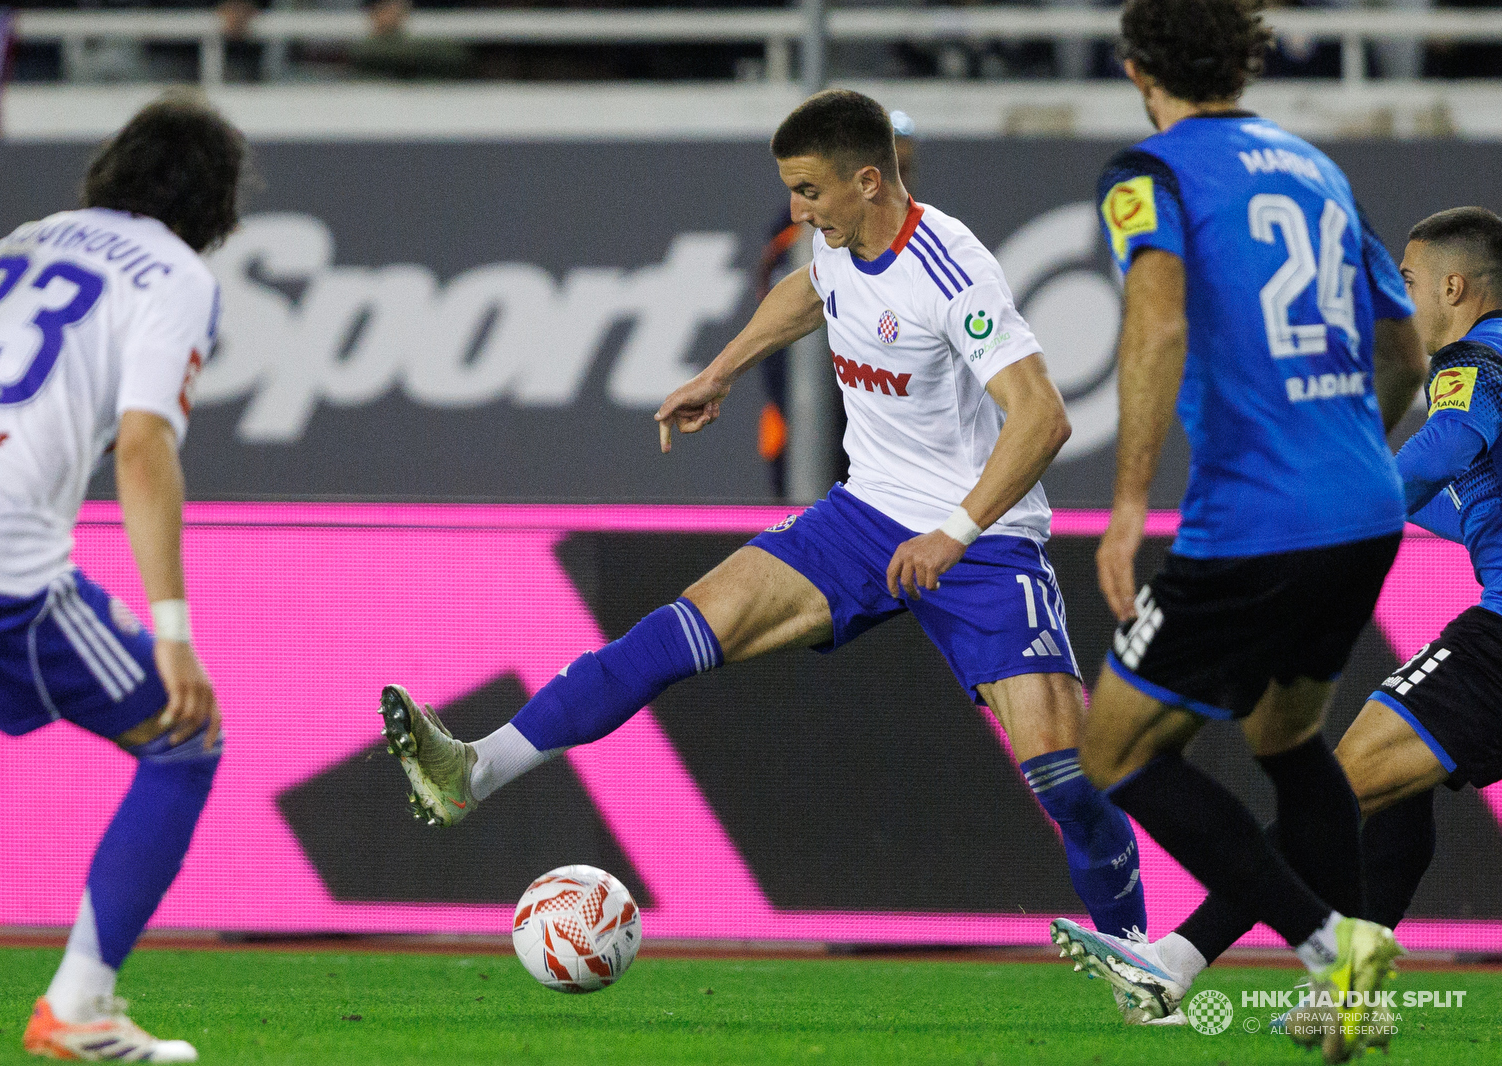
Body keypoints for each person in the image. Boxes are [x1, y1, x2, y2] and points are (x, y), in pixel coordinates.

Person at [378, 88, 1152, 946]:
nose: (795, 208)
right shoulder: (838, 246)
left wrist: (956, 531)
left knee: (1064, 778)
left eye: (809, 191)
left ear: (866, 180)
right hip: (862, 519)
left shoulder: (950, 267)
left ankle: (1137, 958)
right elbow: (808, 292)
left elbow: (1042, 416)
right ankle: (474, 772)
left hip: (982, 540)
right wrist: (721, 371)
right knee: (671, 634)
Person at [1053, 0, 1429, 1057]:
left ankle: (1329, 946)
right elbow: (1401, 351)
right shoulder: (1314, 169)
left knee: (1113, 749)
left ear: (1136, 69)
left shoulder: (1148, 175)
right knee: (1285, 735)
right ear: (1244, 59)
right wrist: (1345, 453)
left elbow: (1158, 317)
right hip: (1363, 505)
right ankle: (1354, 996)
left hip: (1252, 516)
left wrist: (1127, 506)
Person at [1055, 206, 1502, 1046]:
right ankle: (1352, 992)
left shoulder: (1474, 361)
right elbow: (1461, 497)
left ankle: (1181, 960)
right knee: (1393, 803)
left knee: (1344, 785)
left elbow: (1437, 453)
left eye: (1407, 283)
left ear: (1454, 286)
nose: (1401, 301)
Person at [0, 93, 244, 1062]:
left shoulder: (23, 242)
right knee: (187, 738)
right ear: (213, 208)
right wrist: (172, 630)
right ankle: (80, 1007)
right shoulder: (176, 276)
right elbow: (143, 447)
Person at [756, 110, 916, 498]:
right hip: (816, 433)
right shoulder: (802, 243)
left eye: (905, 168)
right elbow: (782, 344)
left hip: (881, 444)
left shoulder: (916, 244)